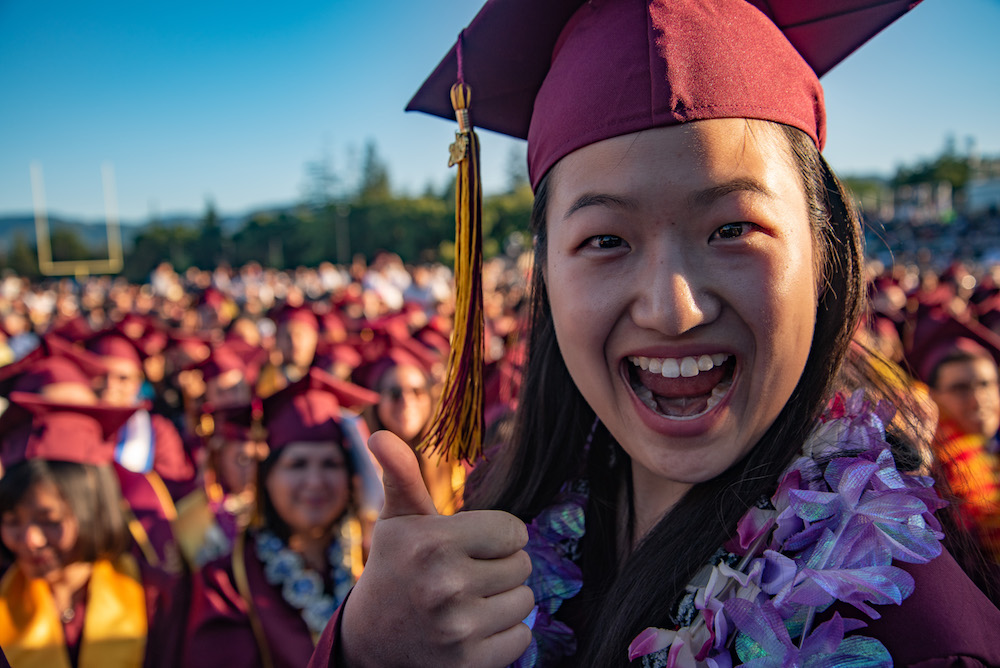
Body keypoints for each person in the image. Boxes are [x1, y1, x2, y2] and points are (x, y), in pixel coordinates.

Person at [310, 0, 1000, 666]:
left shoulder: (913, 641)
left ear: (825, 253)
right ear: (544, 270)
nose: (673, 311)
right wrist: (364, 652)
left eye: (733, 229)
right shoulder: (502, 542)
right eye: (606, 239)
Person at [184, 368, 378, 668]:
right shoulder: (226, 583)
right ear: (266, 478)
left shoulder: (373, 564)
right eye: (297, 464)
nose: (315, 481)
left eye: (330, 464)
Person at [0, 394, 186, 667]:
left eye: (49, 520)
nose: (30, 540)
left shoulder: (158, 597)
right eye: (12, 521)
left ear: (94, 509)